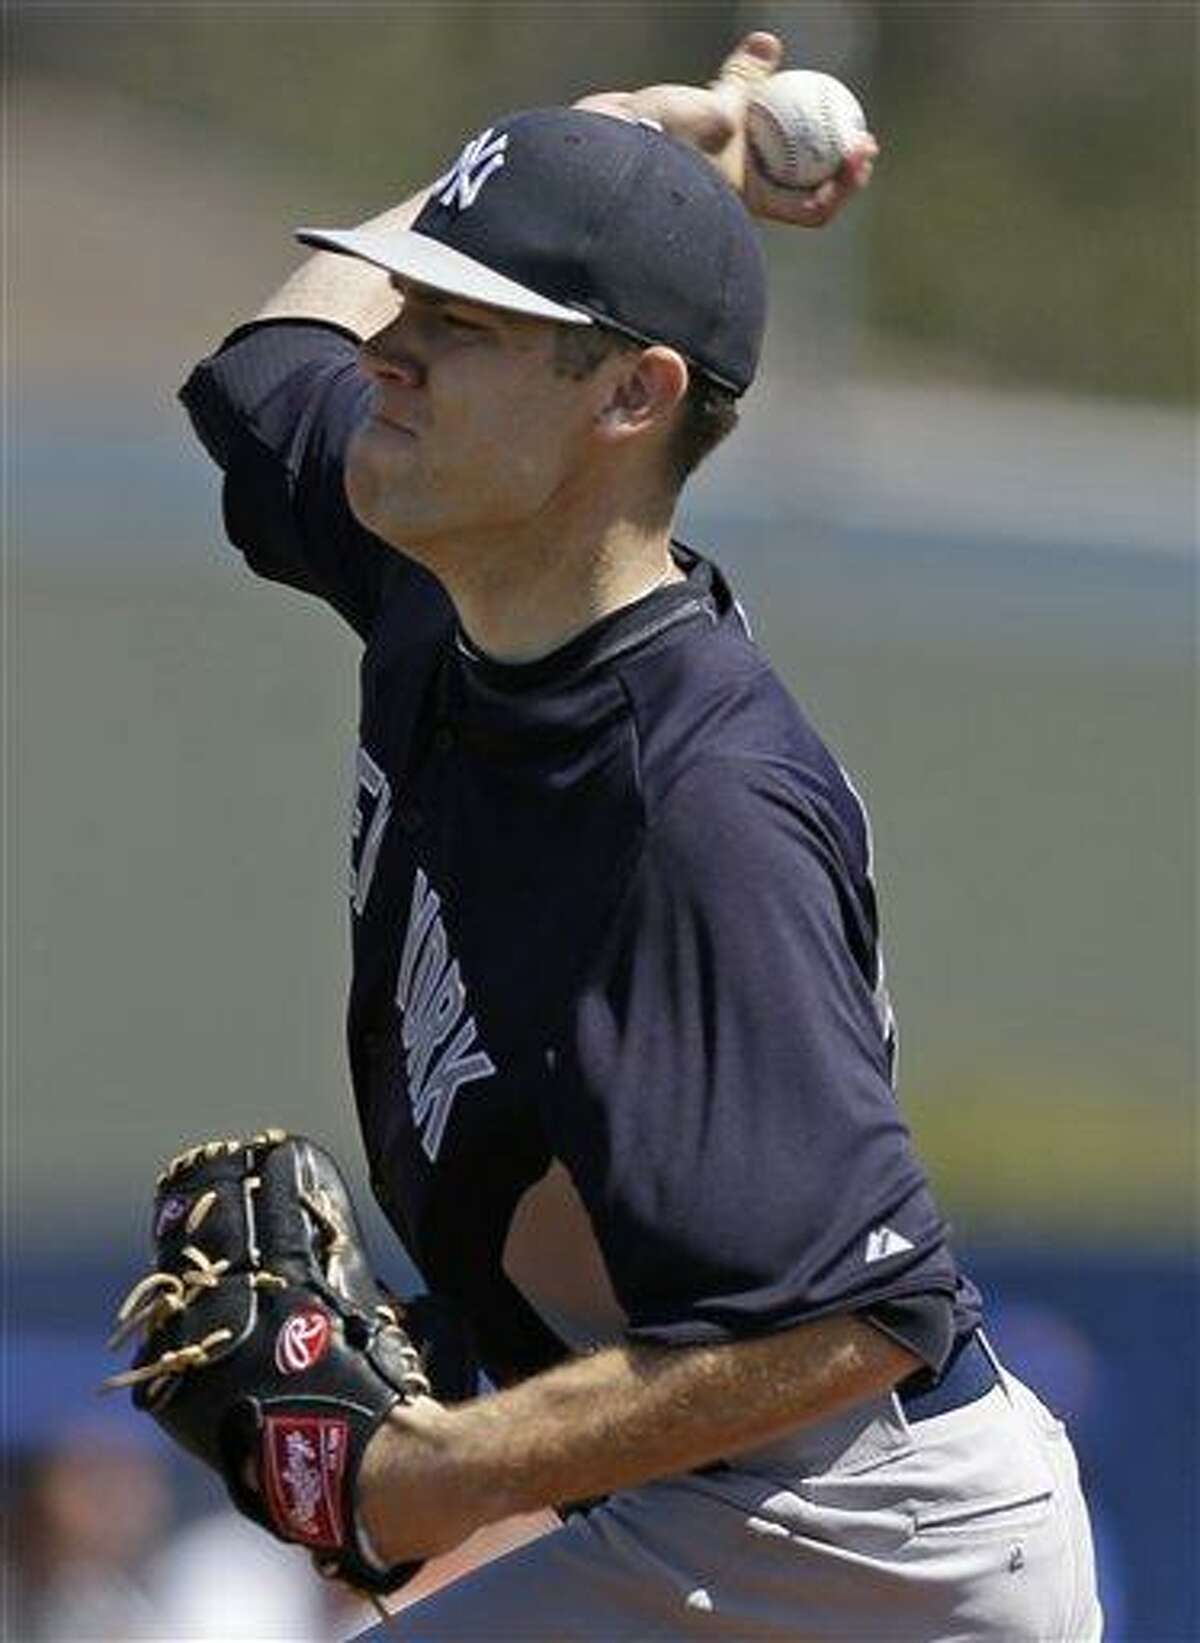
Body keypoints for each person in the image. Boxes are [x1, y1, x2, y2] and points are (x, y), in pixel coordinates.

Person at [179, 30, 1102, 1641]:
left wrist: (441, 1468)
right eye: (406, 302)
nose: (387, 348)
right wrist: (589, 135)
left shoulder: (696, 804)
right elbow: (265, 372)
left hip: (865, 1548)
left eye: (460, 324)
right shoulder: (442, 565)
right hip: (725, 1504)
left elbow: (856, 1312)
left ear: (630, 393)